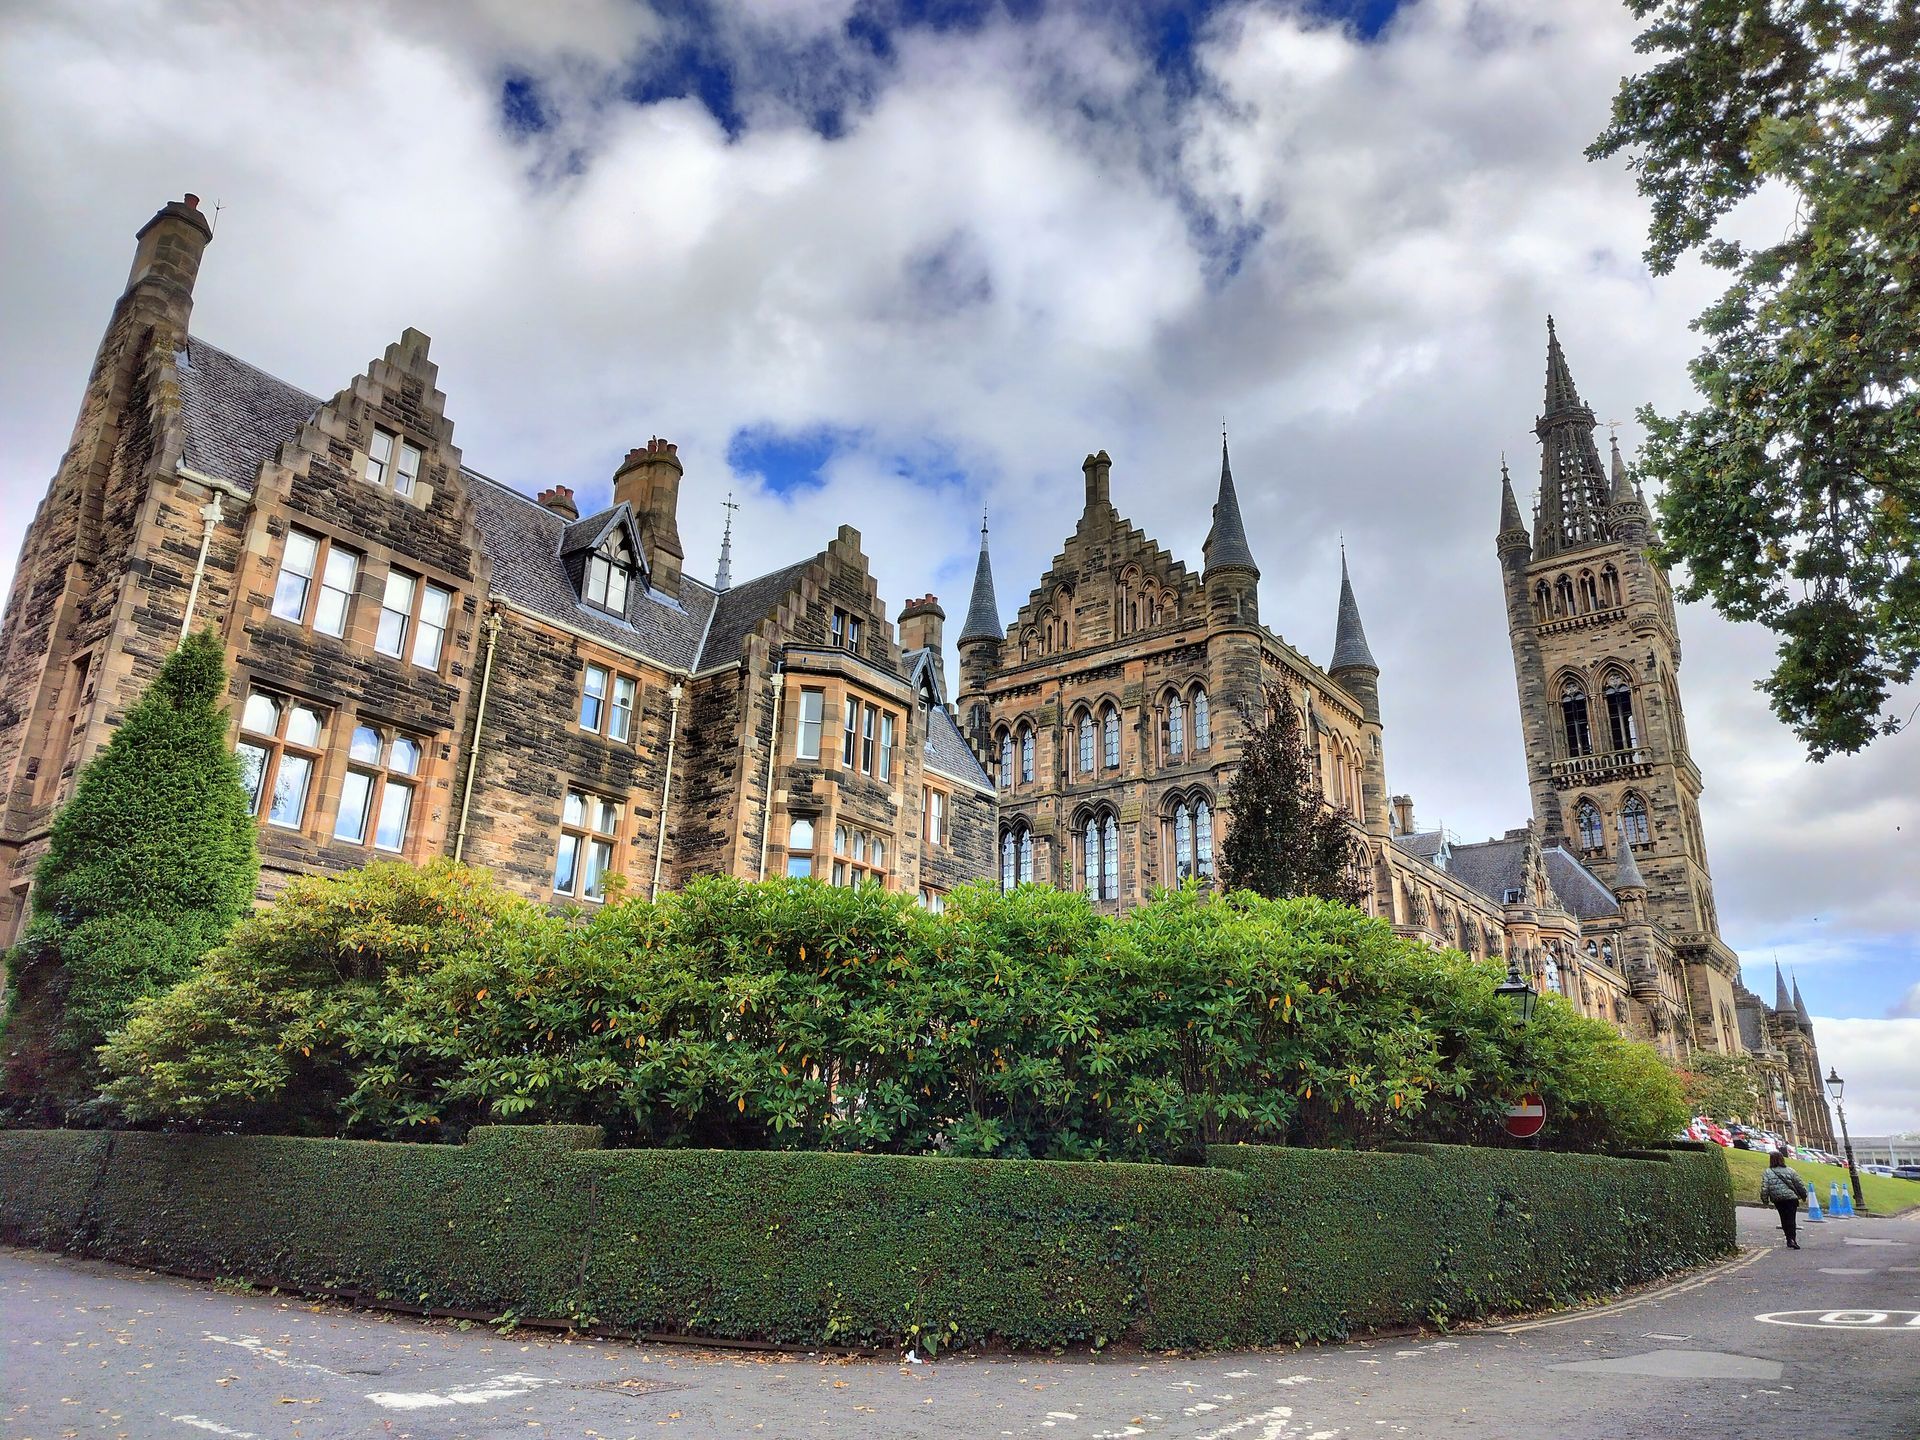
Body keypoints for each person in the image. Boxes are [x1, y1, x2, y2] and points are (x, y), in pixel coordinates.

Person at [1759, 1149, 1810, 1248]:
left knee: (1784, 1218)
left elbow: (1765, 1187)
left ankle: (1788, 1239)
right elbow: (1799, 1184)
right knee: (1791, 1218)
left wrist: (1765, 1200)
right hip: (1791, 1199)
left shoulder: (1768, 1172)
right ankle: (1792, 1239)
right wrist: (1803, 1195)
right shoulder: (1790, 1170)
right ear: (1782, 1159)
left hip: (1778, 1200)